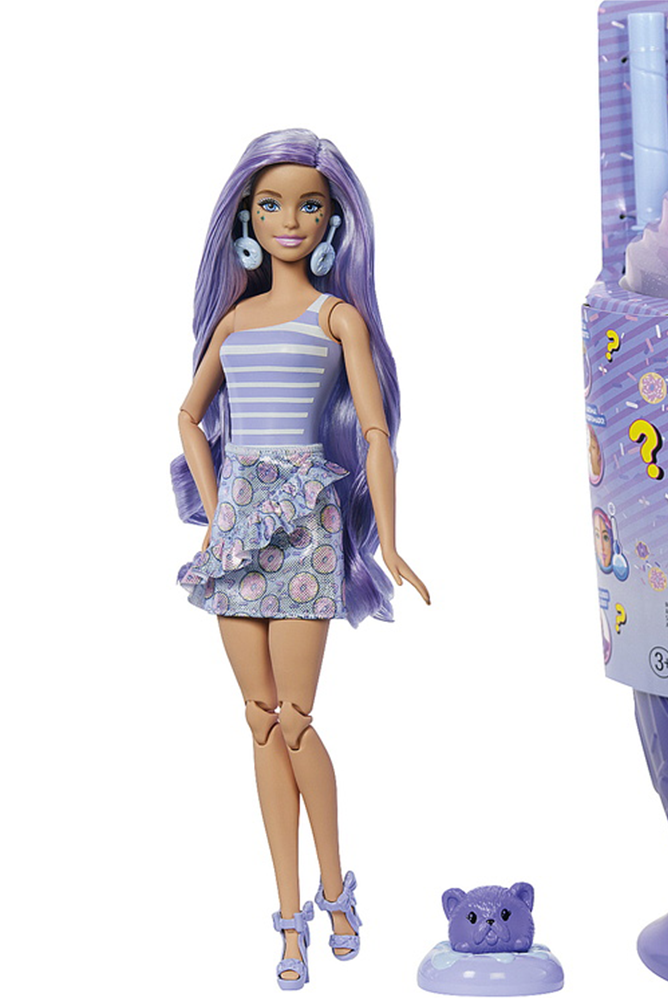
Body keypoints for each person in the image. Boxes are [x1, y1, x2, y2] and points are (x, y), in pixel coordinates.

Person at [171, 129, 428, 989]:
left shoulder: (336, 317)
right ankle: (289, 919)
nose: (290, 219)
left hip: (306, 526)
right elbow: (188, 416)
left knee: (296, 720)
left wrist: (389, 538)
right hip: (237, 530)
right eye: (272, 204)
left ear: (331, 221)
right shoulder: (233, 320)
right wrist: (216, 507)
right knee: (257, 720)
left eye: (309, 205)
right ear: (247, 215)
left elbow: (377, 431)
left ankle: (335, 890)